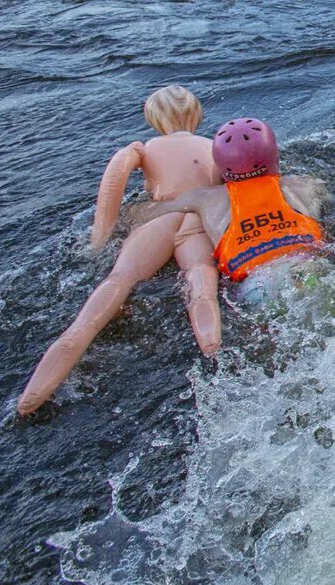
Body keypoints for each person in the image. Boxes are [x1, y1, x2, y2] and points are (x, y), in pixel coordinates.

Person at [17, 87, 224, 415]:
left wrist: (100, 240)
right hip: (196, 222)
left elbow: (114, 182)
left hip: (158, 220)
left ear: (154, 119)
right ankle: (213, 349)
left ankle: (42, 383)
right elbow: (218, 190)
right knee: (202, 281)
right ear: (197, 116)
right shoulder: (212, 146)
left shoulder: (145, 148)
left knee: (118, 282)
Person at [128, 119, 326, 286]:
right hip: (308, 265)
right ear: (275, 157)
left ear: (220, 167)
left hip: (257, 282)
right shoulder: (306, 185)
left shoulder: (205, 197)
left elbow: (149, 211)